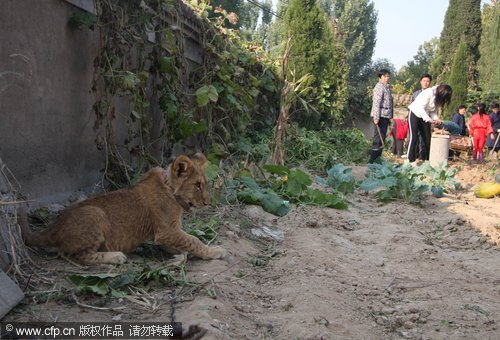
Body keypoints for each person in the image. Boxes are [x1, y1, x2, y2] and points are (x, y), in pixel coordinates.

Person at [406, 84, 453, 166]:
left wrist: (436, 118)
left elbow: (433, 111)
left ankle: (427, 160)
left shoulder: (438, 98)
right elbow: (420, 107)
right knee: (414, 137)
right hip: (415, 113)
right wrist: (428, 119)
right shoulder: (429, 92)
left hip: (425, 115)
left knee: (427, 139)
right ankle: (410, 160)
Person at [369, 69, 393, 163]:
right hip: (380, 116)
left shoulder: (387, 88)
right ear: (380, 77)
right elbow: (376, 103)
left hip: (385, 116)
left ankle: (377, 160)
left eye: (388, 76)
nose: (387, 78)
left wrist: (391, 117)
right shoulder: (379, 87)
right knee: (378, 139)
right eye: (385, 76)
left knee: (382, 139)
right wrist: (376, 117)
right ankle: (373, 161)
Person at [409, 74, 433, 160]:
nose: (426, 83)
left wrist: (432, 119)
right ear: (421, 82)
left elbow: (432, 109)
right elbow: (413, 106)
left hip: (426, 119)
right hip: (416, 116)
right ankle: (413, 158)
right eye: (424, 81)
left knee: (426, 138)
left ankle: (426, 158)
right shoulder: (416, 94)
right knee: (414, 138)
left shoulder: (431, 94)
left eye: (428, 81)